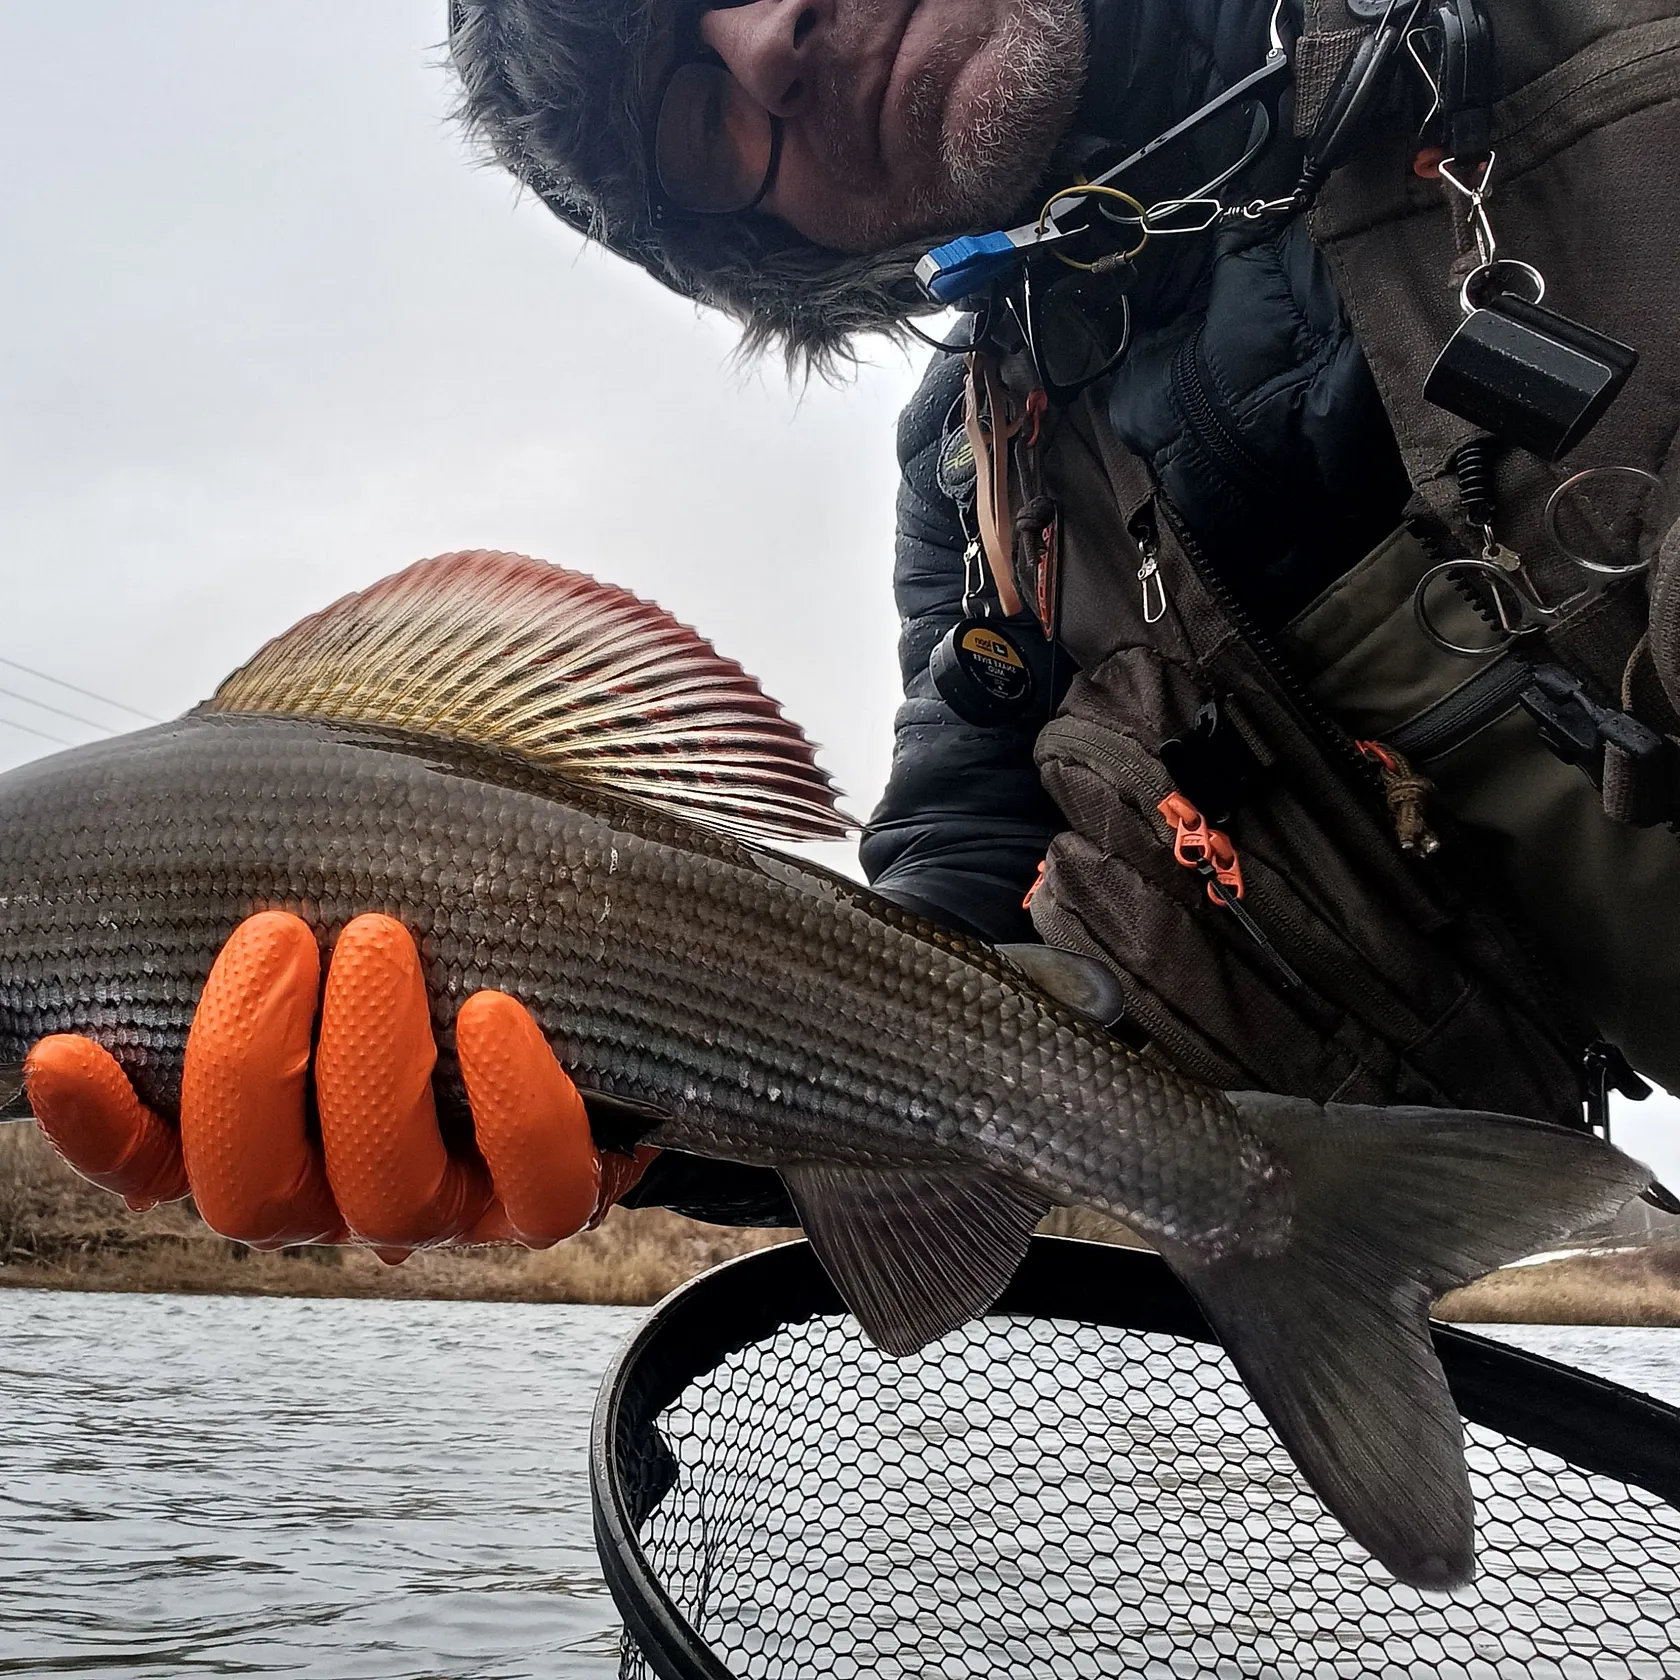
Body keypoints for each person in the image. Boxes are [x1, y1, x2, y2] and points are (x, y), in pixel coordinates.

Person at [29, 0, 1680, 1238]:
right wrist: (613, 1103)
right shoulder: (984, 491)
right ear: (785, 255)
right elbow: (969, 958)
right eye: (698, 122)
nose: (765, 37)